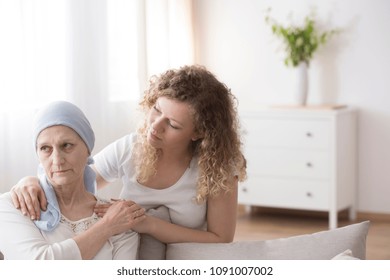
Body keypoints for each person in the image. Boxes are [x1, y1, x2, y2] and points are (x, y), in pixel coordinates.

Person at [11, 65, 247, 245]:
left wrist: (149, 224)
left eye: (173, 125)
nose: (155, 126)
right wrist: (31, 180)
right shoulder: (132, 148)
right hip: (130, 251)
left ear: (198, 132)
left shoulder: (219, 166)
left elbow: (220, 238)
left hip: (187, 257)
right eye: (156, 110)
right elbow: (74, 176)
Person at [0, 101, 144, 260]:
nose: (57, 160)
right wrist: (106, 227)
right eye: (45, 148)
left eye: (66, 145)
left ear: (88, 149)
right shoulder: (12, 205)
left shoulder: (120, 217)